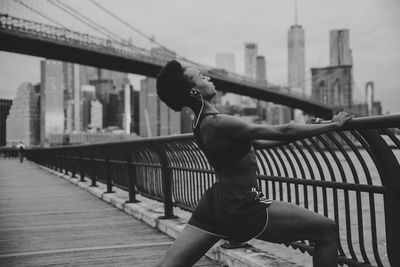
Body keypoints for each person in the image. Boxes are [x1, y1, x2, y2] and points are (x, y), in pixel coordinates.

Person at [155, 60, 352, 267]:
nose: (209, 78)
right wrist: (332, 125)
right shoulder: (218, 122)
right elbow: (283, 131)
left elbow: (261, 142)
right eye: (202, 78)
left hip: (217, 202)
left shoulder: (201, 122)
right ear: (194, 92)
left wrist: (308, 128)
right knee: (326, 230)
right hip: (241, 205)